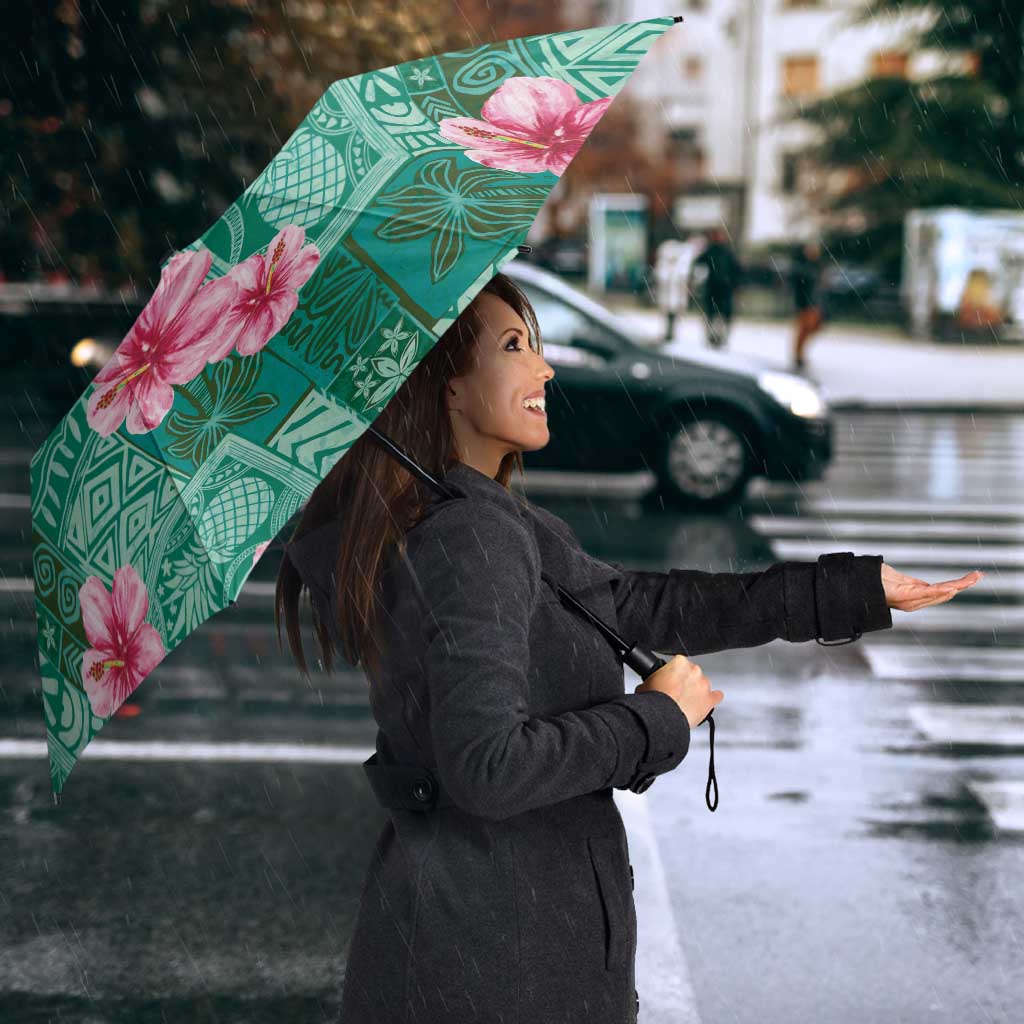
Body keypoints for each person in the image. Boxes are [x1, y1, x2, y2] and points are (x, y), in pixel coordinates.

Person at [276, 271, 979, 1024]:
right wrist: (655, 719)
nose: (544, 368)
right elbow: (487, 768)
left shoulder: (476, 518)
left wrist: (850, 591)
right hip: (499, 962)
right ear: (445, 385)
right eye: (514, 346)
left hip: (479, 941)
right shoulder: (470, 536)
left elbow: (641, 605)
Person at [692, 226, 742, 349]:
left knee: (720, 315)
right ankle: (713, 337)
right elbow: (698, 264)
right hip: (715, 288)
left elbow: (736, 270)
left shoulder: (725, 252)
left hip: (723, 288)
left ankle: (719, 337)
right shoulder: (712, 251)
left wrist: (735, 284)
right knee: (713, 314)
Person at [790, 239, 826, 370]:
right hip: (805, 303)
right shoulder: (802, 267)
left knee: (812, 328)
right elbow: (799, 286)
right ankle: (798, 355)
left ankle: (799, 354)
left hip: (814, 303)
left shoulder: (817, 266)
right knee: (804, 329)